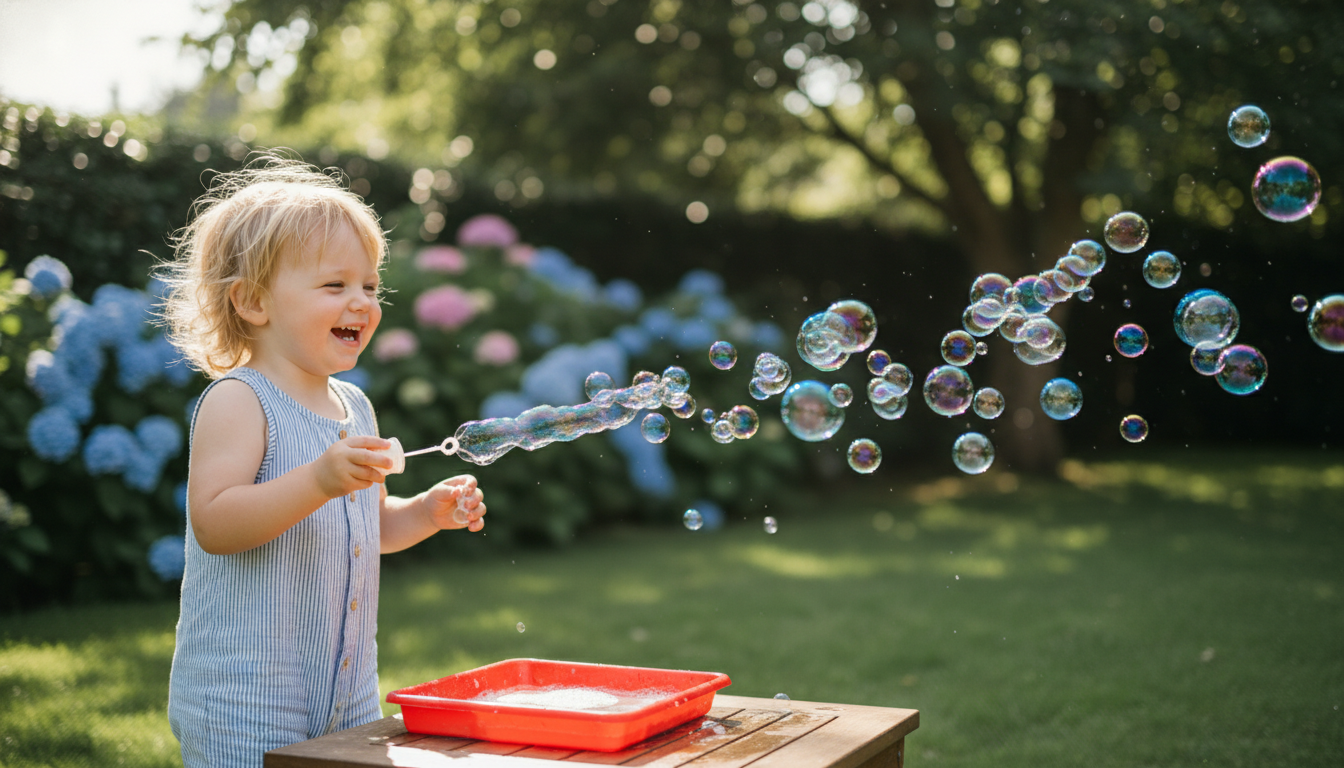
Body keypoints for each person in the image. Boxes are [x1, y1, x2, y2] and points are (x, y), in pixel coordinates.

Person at [159, 156, 486, 767]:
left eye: (369, 285)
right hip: (246, 700)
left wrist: (423, 511)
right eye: (335, 286)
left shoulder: (354, 407)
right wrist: (316, 479)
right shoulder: (240, 400)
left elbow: (364, 525)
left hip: (346, 692)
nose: (361, 301)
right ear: (254, 302)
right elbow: (216, 523)